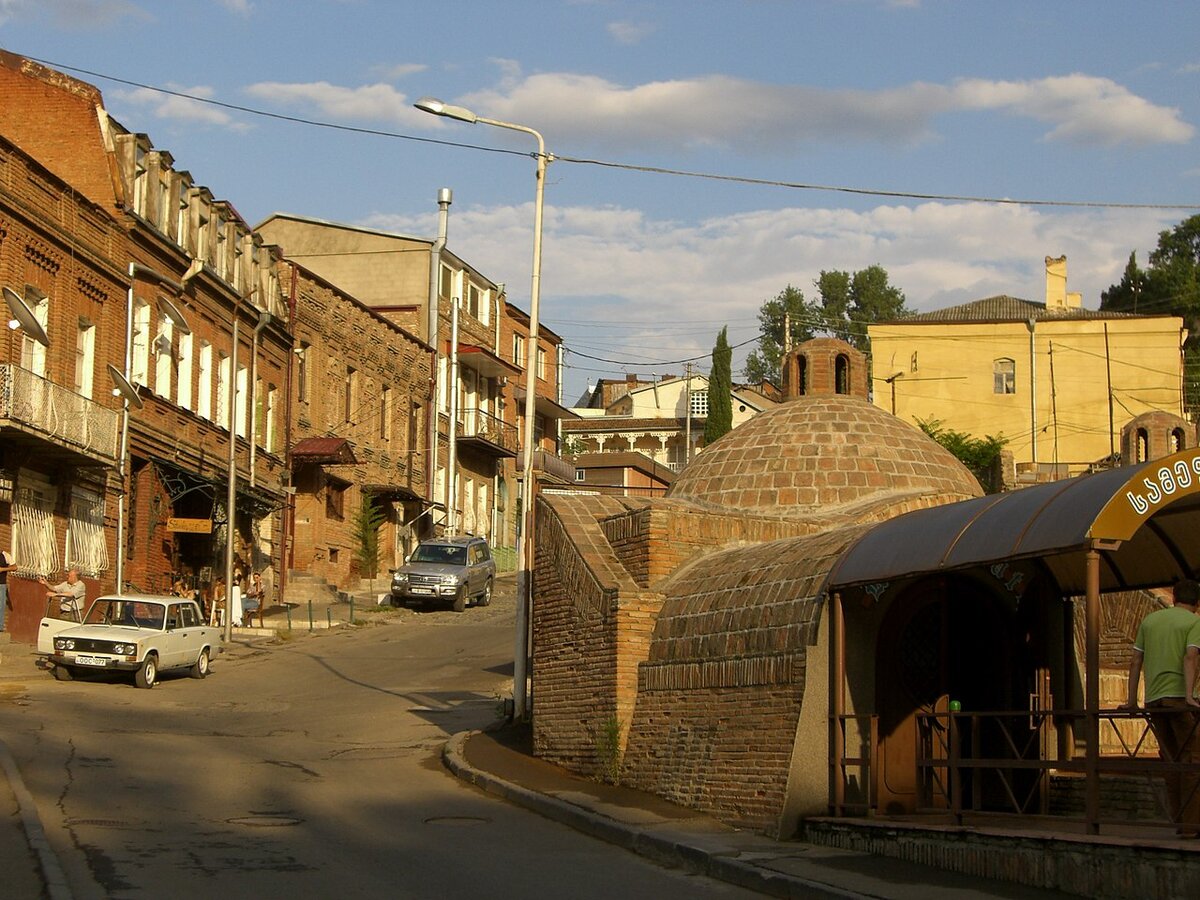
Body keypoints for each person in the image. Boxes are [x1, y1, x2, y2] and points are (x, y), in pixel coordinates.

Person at [1125, 578, 1200, 836]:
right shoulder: (1194, 623)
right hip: (1179, 699)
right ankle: (1191, 826)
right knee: (1193, 759)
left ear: (1173, 598)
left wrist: (1132, 700)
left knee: (1170, 760)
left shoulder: (1150, 621)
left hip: (1154, 700)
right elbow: (1190, 656)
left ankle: (1179, 821)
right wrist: (1189, 696)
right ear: (1197, 603)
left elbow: (1135, 661)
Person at [0, 548, 15, 633]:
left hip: (1, 584)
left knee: (0, 606)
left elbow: (15, 567)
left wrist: (3, 569)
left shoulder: (4, 555)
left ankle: (0, 627)